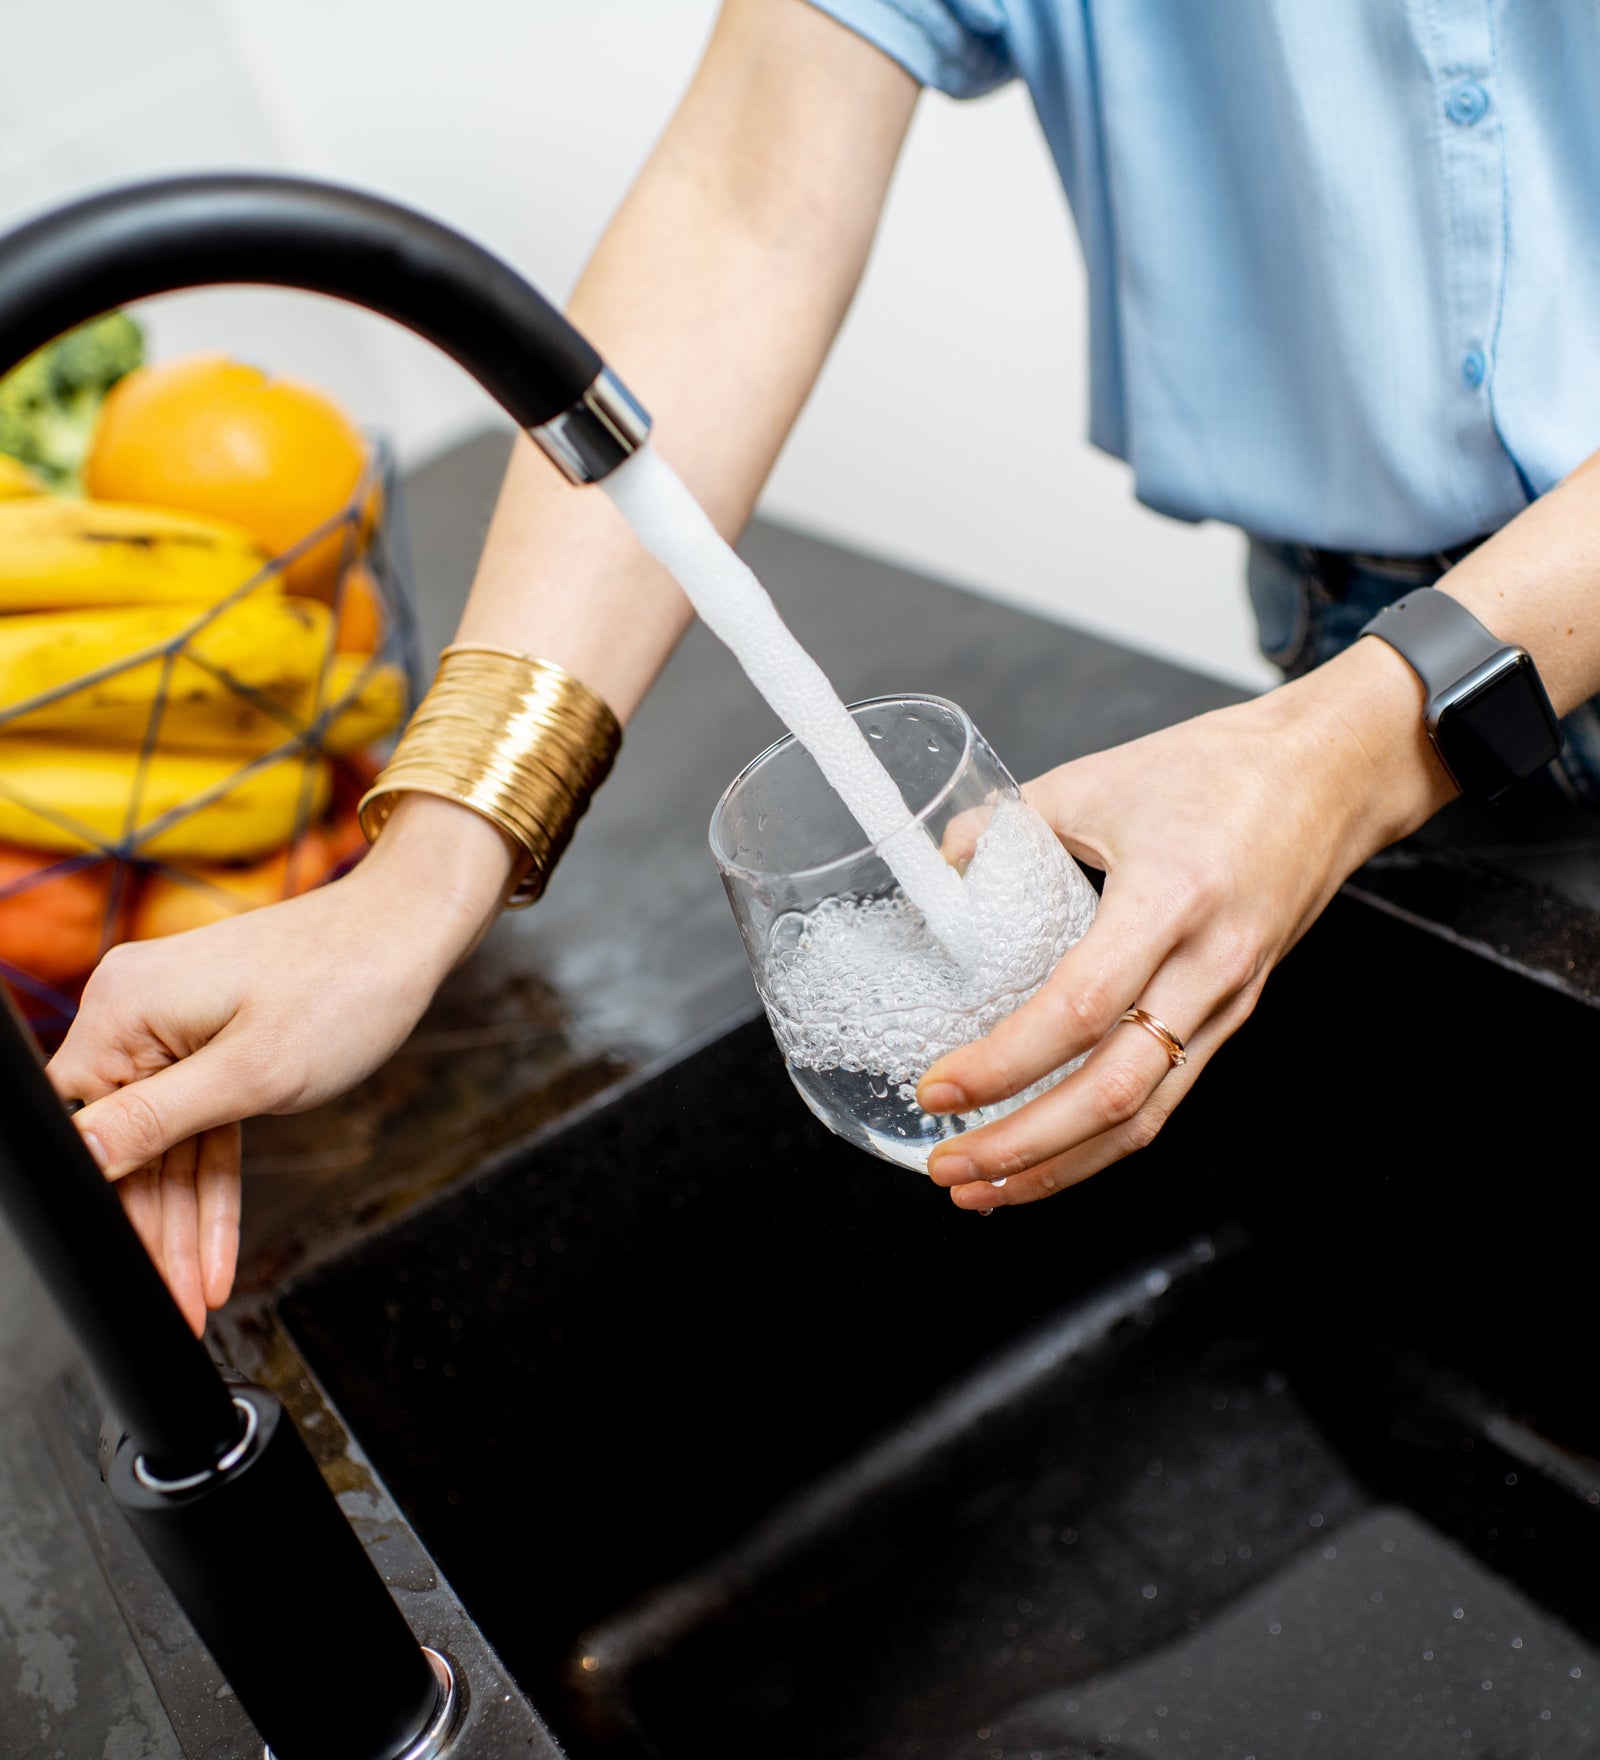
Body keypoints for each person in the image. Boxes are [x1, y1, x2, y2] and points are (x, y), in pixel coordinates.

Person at [44, 0, 1600, 1334]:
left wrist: (1352, 745)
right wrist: (418, 882)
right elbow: (745, 210)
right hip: (1346, 652)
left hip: (1374, 700)